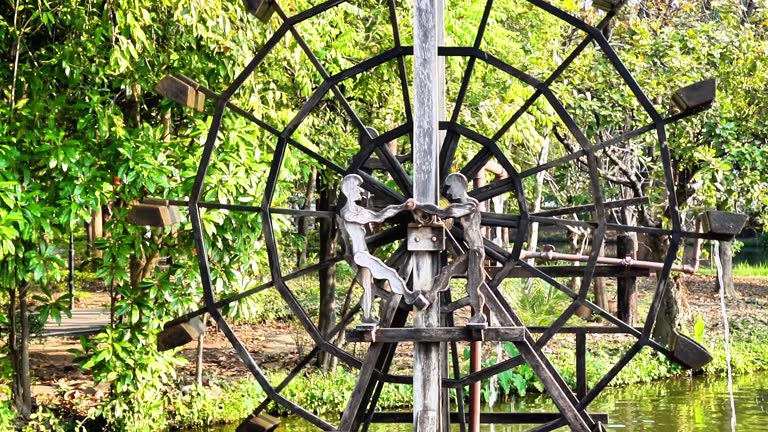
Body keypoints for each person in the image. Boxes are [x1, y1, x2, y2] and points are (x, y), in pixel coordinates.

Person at [339, 174, 428, 329]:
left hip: (362, 253)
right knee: (390, 273)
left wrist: (401, 207)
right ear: (349, 191)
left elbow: (380, 216)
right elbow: (372, 217)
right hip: (360, 254)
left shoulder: (358, 210)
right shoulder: (348, 213)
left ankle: (367, 318)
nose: (361, 191)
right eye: (357, 188)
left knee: (369, 287)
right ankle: (410, 296)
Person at [414, 173, 487, 328]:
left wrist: (417, 205)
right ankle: (428, 297)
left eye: (451, 187)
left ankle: (479, 316)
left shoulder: (469, 205)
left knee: (473, 286)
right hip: (471, 250)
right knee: (447, 271)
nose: (449, 192)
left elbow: (445, 212)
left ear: (460, 186)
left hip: (475, 251)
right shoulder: (464, 204)